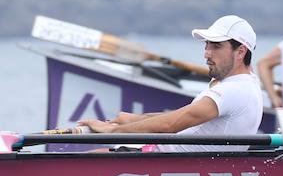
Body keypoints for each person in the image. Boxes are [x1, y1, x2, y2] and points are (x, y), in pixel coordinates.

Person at [81, 15, 264, 151]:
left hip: (164, 165)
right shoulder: (247, 84)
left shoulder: (232, 90)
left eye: (216, 46)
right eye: (207, 45)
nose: (207, 53)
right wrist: (136, 119)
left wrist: (113, 132)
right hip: (168, 161)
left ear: (241, 52)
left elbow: (170, 125)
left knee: (86, 160)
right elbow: (180, 117)